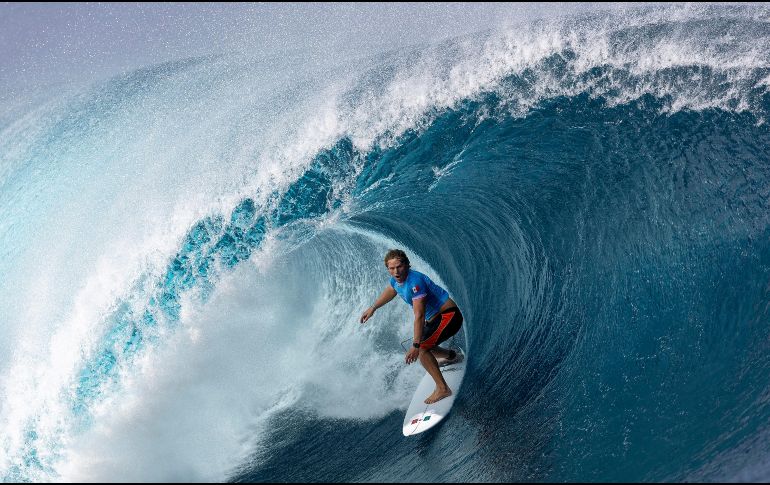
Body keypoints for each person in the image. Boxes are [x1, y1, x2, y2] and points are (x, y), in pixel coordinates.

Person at [360, 249, 464, 404]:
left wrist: (416, 345)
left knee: (421, 349)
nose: (396, 271)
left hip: (449, 316)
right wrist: (373, 308)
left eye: (399, 267)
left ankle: (443, 389)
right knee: (424, 345)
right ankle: (452, 356)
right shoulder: (396, 280)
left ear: (407, 265)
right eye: (392, 268)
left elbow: (419, 316)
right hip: (435, 319)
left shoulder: (415, 283)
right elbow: (391, 290)